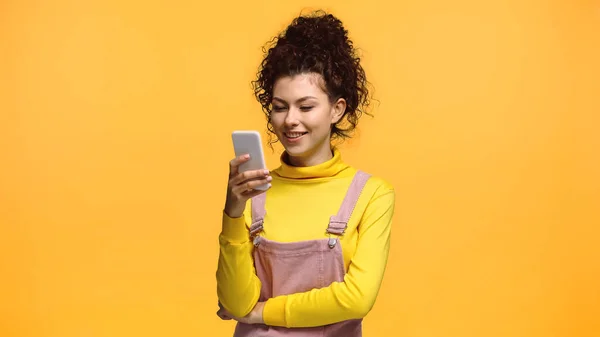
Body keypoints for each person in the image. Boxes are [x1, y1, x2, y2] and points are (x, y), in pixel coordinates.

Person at [215, 10, 395, 336]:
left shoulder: (371, 194)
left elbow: (357, 299)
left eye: (306, 106)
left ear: (337, 110)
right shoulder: (254, 191)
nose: (290, 120)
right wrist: (233, 211)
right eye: (280, 107)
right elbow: (235, 301)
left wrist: (262, 314)